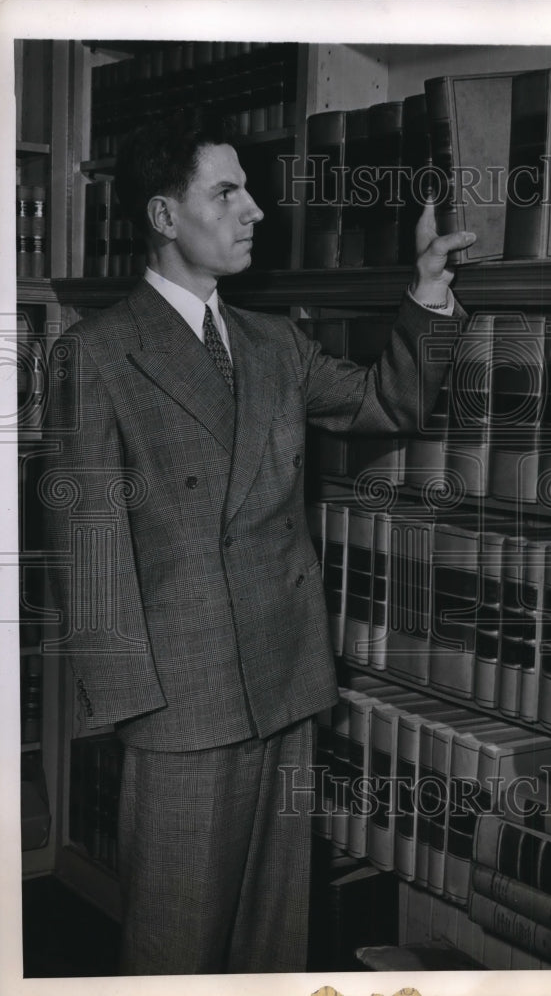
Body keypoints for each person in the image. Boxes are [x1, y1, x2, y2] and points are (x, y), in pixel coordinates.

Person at [41, 109, 473, 975]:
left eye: (249, 192)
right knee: (176, 946)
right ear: (165, 217)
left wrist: (427, 290)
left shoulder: (276, 344)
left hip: (285, 682)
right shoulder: (95, 354)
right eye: (227, 192)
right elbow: (88, 551)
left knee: (273, 946)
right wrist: (138, 710)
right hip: (180, 703)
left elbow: (388, 403)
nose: (255, 212)